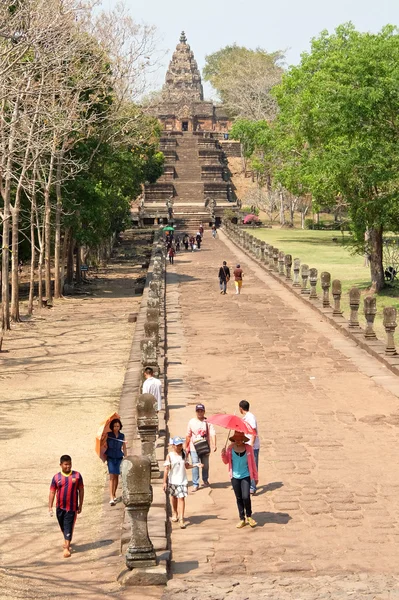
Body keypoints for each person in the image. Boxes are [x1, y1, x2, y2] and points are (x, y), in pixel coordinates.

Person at [48, 455, 84, 558]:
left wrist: (80, 504)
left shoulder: (77, 476)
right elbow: (52, 492)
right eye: (66, 464)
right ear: (61, 465)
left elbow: (81, 490)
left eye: (70, 464)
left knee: (68, 525)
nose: (68, 466)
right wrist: (50, 507)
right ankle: (66, 539)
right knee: (62, 525)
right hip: (60, 507)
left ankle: (66, 548)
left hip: (72, 508)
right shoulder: (56, 478)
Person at [163, 436, 202, 529]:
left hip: (183, 481)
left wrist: (196, 465)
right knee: (174, 497)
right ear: (173, 446)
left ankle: (181, 519)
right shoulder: (170, 456)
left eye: (180, 445)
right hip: (173, 480)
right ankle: (175, 512)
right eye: (177, 445)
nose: (179, 447)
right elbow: (166, 469)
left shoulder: (184, 454)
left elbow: (187, 466)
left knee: (181, 498)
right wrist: (164, 482)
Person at [221, 431, 258, 528]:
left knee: (246, 496)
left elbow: (253, 463)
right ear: (234, 439)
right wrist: (223, 454)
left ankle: (249, 516)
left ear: (243, 440)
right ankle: (242, 518)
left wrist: (255, 477)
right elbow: (226, 462)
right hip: (235, 477)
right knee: (239, 498)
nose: (238, 441)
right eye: (236, 439)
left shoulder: (248, 448)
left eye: (240, 439)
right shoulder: (230, 449)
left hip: (246, 475)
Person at [185, 404, 216, 492]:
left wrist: (214, 444)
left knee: (205, 465)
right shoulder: (191, 422)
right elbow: (188, 435)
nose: (200, 413)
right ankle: (195, 483)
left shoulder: (207, 422)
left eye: (201, 411)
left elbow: (212, 433)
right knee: (195, 464)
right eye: (198, 411)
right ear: (196, 412)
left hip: (205, 447)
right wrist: (186, 446)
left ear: (204, 411)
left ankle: (205, 479)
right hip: (194, 447)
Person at [239, 400, 260, 494]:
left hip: (253, 446)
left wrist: (251, 443)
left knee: (253, 466)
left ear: (240, 408)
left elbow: (254, 432)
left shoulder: (250, 417)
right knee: (247, 466)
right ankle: (249, 485)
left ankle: (253, 486)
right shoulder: (245, 418)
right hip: (247, 445)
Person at [106, 418, 127, 505]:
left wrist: (126, 457)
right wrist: (104, 438)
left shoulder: (122, 436)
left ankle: (114, 493)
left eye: (118, 426)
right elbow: (104, 444)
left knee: (116, 476)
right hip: (110, 456)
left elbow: (124, 448)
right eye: (114, 426)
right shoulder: (108, 435)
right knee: (111, 477)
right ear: (112, 426)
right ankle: (111, 496)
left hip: (119, 456)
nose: (116, 428)